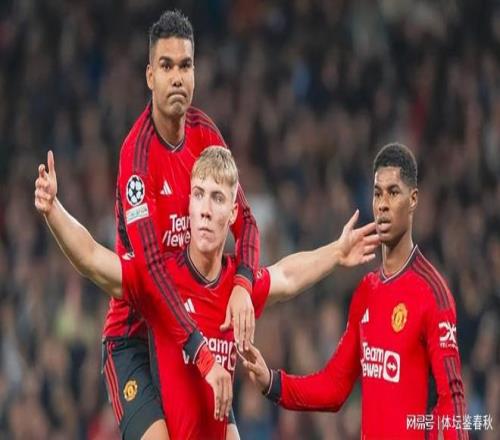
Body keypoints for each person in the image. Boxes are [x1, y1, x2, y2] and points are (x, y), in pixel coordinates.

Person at [34, 146, 379, 439]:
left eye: (217, 198)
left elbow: (286, 276)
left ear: (233, 213)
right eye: (198, 195)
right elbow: (93, 259)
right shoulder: (161, 278)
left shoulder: (237, 288)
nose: (205, 210)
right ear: (188, 205)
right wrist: (54, 210)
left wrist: (337, 252)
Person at [90, 10, 260, 440]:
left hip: (190, 333)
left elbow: (246, 221)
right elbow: (150, 271)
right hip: (135, 337)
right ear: (150, 76)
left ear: (195, 73)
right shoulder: (136, 157)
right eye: (166, 66)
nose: (177, 77)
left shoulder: (205, 134)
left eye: (185, 66)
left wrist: (242, 282)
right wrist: (202, 354)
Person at [240, 143, 468, 440]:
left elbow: (452, 398)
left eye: (393, 192)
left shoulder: (432, 293)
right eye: (377, 193)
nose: (383, 204)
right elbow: (334, 386)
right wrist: (272, 383)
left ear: (413, 199)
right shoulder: (367, 290)